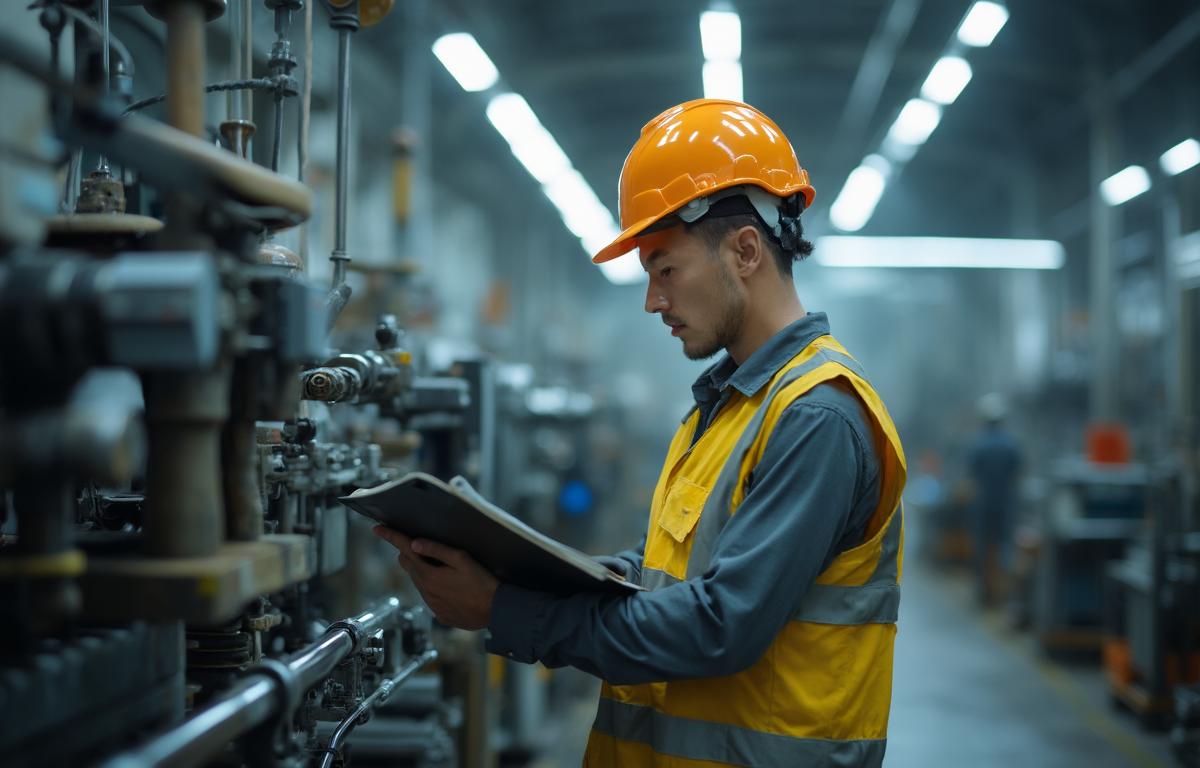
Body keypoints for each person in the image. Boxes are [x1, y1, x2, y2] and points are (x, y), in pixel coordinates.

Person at [372, 99, 908, 768]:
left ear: (745, 251)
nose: (653, 302)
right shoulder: (728, 405)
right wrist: (551, 574)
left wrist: (505, 610)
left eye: (665, 271)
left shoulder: (816, 416)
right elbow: (676, 570)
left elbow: (720, 627)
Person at [967, 393, 1021, 605]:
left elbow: (971, 474)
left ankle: (982, 591)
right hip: (1006, 503)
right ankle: (1006, 593)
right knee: (1005, 545)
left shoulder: (977, 444)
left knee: (981, 546)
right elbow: (1018, 472)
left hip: (983, 503)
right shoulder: (1011, 444)